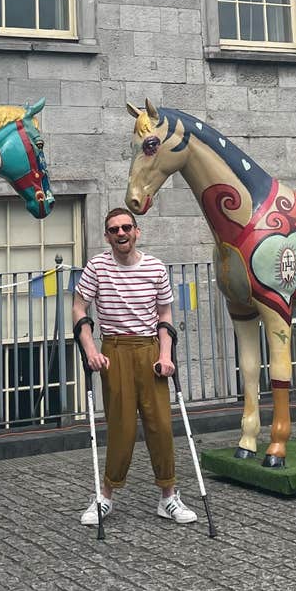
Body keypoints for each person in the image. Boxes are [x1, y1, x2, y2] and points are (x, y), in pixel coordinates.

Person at [73, 207, 197, 526]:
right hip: (114, 349)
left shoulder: (155, 267)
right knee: (122, 427)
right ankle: (105, 497)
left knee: (161, 426)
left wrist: (165, 355)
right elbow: (78, 307)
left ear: (137, 231)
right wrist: (89, 349)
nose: (121, 233)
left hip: (149, 349)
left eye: (126, 227)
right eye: (114, 230)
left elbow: (165, 315)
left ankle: (168, 497)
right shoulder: (97, 267)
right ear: (107, 236)